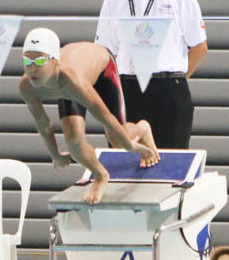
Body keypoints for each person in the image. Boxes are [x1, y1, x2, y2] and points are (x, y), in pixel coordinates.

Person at [95, 0, 208, 149]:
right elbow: (103, 54)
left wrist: (175, 81)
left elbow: (199, 47)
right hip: (126, 91)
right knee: (125, 167)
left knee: (169, 167)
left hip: (168, 90)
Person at [19, 27, 160, 204]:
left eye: (39, 62)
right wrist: (54, 154)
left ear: (55, 61)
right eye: (27, 61)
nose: (32, 69)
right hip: (68, 84)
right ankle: (101, 175)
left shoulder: (73, 81)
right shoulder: (26, 86)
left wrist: (132, 147)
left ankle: (142, 129)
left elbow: (106, 118)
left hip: (103, 69)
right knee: (73, 141)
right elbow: (43, 123)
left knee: (116, 139)